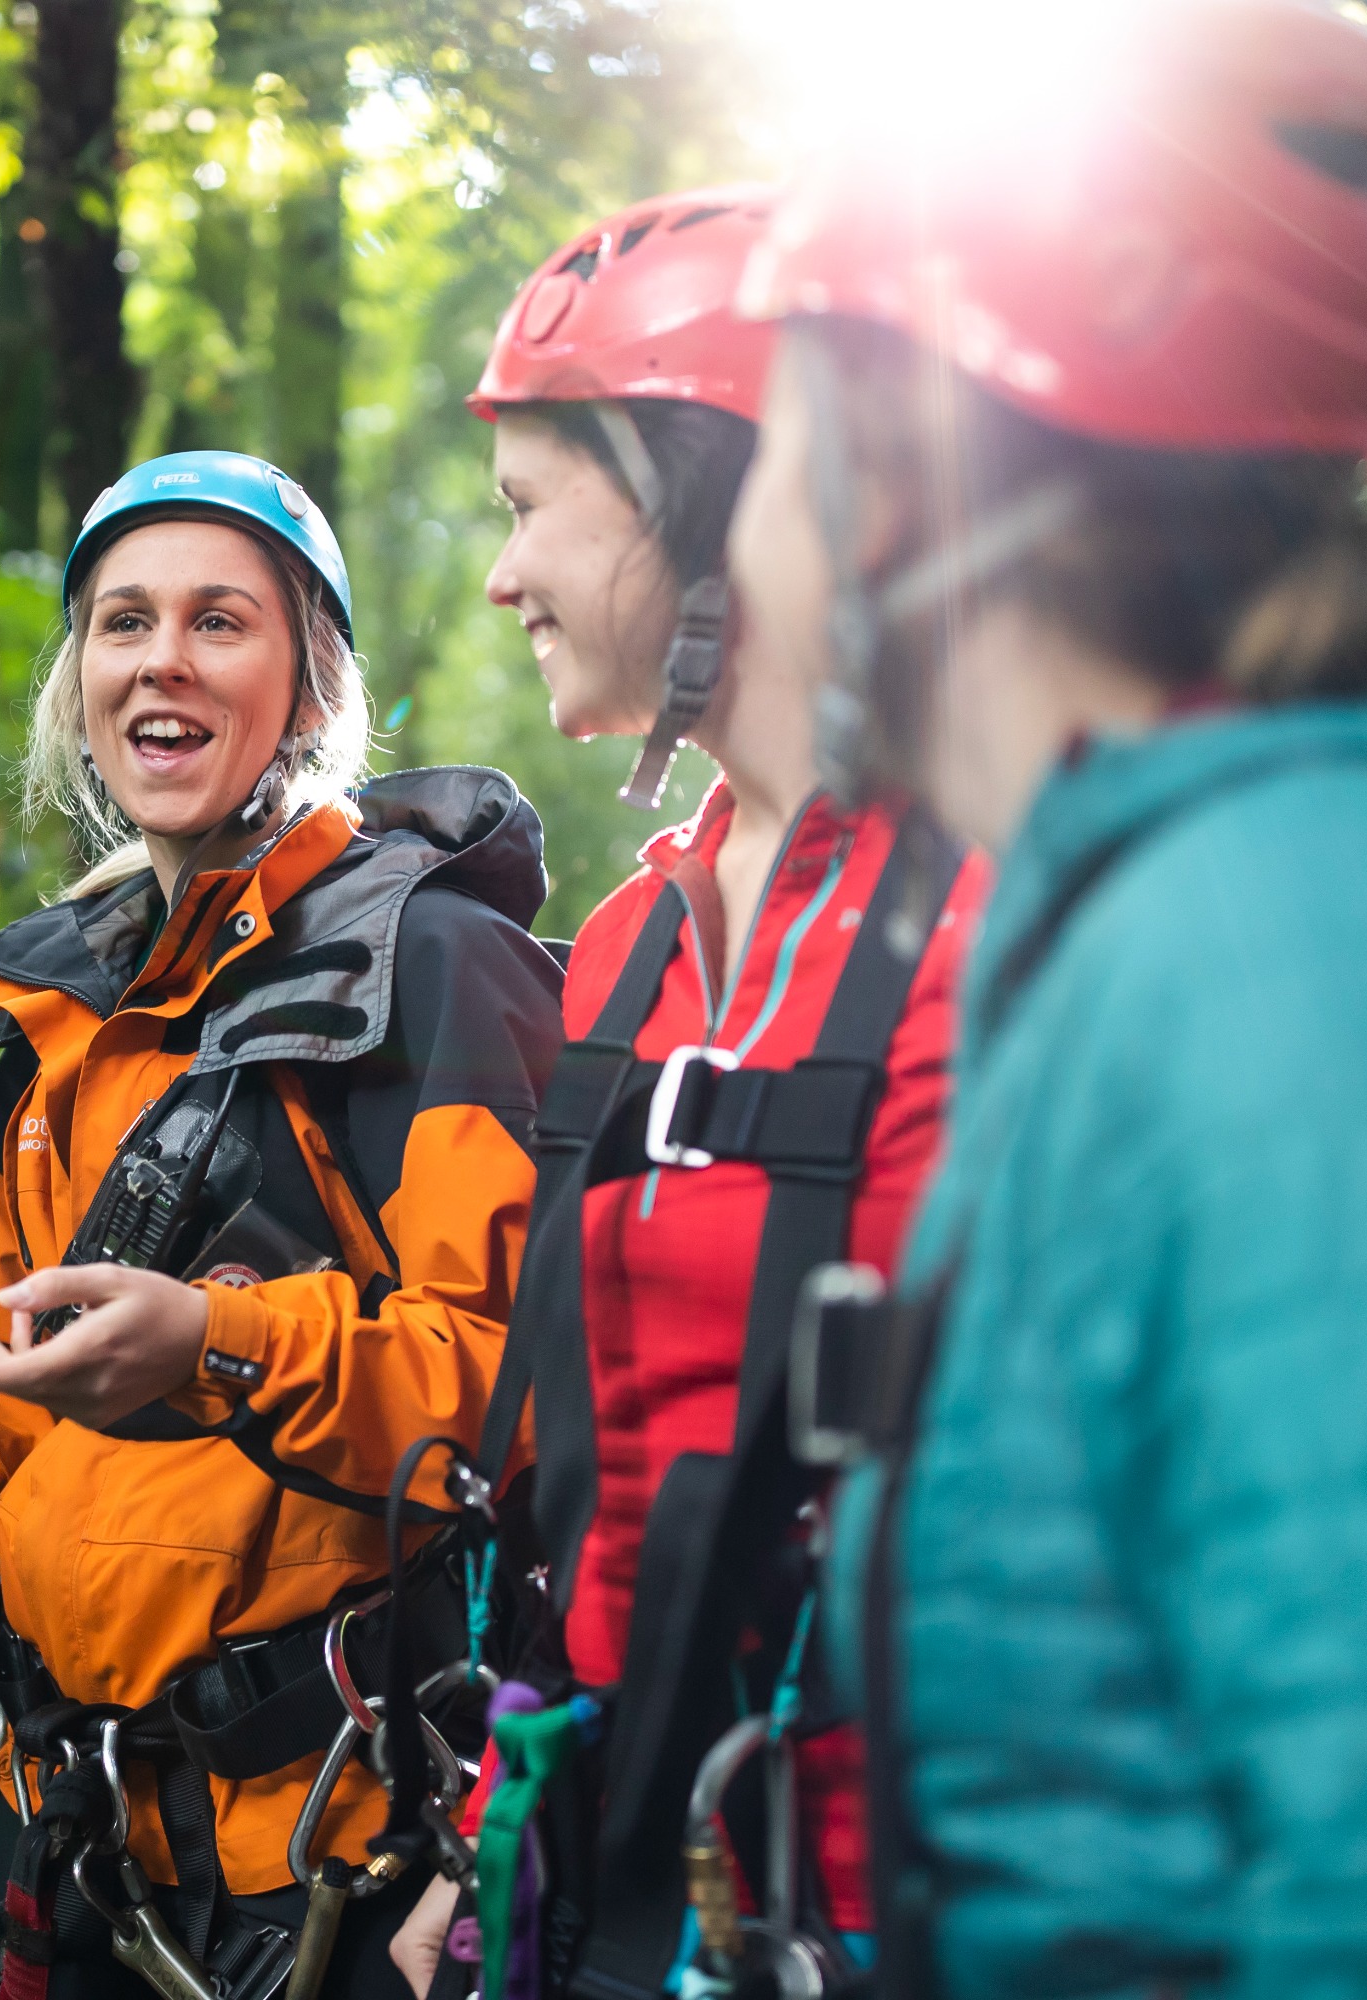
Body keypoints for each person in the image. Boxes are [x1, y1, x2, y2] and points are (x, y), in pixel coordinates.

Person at [721, 3, 1367, 1994]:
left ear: (893, 484)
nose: (748, 535)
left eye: (773, 447)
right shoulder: (1225, 910)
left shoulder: (1319, 966)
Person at [0, 452, 565, 1999]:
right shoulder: (64, 1011)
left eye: (218, 620)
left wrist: (217, 1345)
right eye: (122, 622)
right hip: (62, 1827)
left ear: (312, 688)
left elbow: (511, 1387)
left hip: (335, 1855)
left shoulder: (432, 970)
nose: (160, 658)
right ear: (80, 683)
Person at [389, 189, 992, 2000]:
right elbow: (600, 1479)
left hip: (919, 1911)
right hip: (609, 1886)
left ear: (707, 493)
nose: (501, 579)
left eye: (529, 511)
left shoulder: (1007, 915)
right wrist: (505, 1833)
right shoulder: (638, 934)